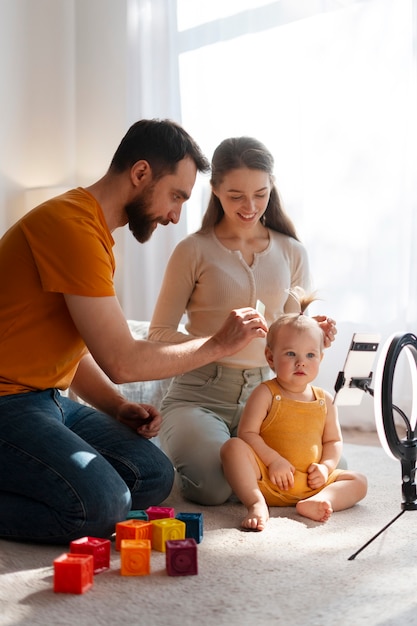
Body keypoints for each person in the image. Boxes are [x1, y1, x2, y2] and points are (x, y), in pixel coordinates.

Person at [0, 119, 269, 545]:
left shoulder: (95, 234)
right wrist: (218, 344)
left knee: (154, 474)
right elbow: (122, 360)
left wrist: (115, 405)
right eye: (176, 196)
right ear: (141, 173)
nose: (175, 215)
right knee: (102, 506)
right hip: (7, 403)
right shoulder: (70, 226)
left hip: (46, 399)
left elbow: (77, 348)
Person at [148, 136, 337, 506]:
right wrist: (217, 340)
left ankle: (247, 466)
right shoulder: (192, 250)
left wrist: (317, 336)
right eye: (236, 196)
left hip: (270, 396)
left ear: (272, 188)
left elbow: (293, 332)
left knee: (322, 468)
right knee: (213, 487)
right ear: (215, 189)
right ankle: (209, 452)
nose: (249, 207)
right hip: (199, 393)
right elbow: (157, 335)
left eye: (260, 194)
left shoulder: (291, 251)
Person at [220, 291, 367, 531]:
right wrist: (274, 461)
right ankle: (256, 503)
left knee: (359, 481)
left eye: (310, 355)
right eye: (291, 354)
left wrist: (325, 468)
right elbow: (247, 434)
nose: (301, 362)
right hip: (270, 478)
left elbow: (333, 441)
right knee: (232, 448)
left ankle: (320, 500)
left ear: (320, 358)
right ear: (270, 357)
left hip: (312, 482)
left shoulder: (325, 400)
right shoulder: (265, 393)